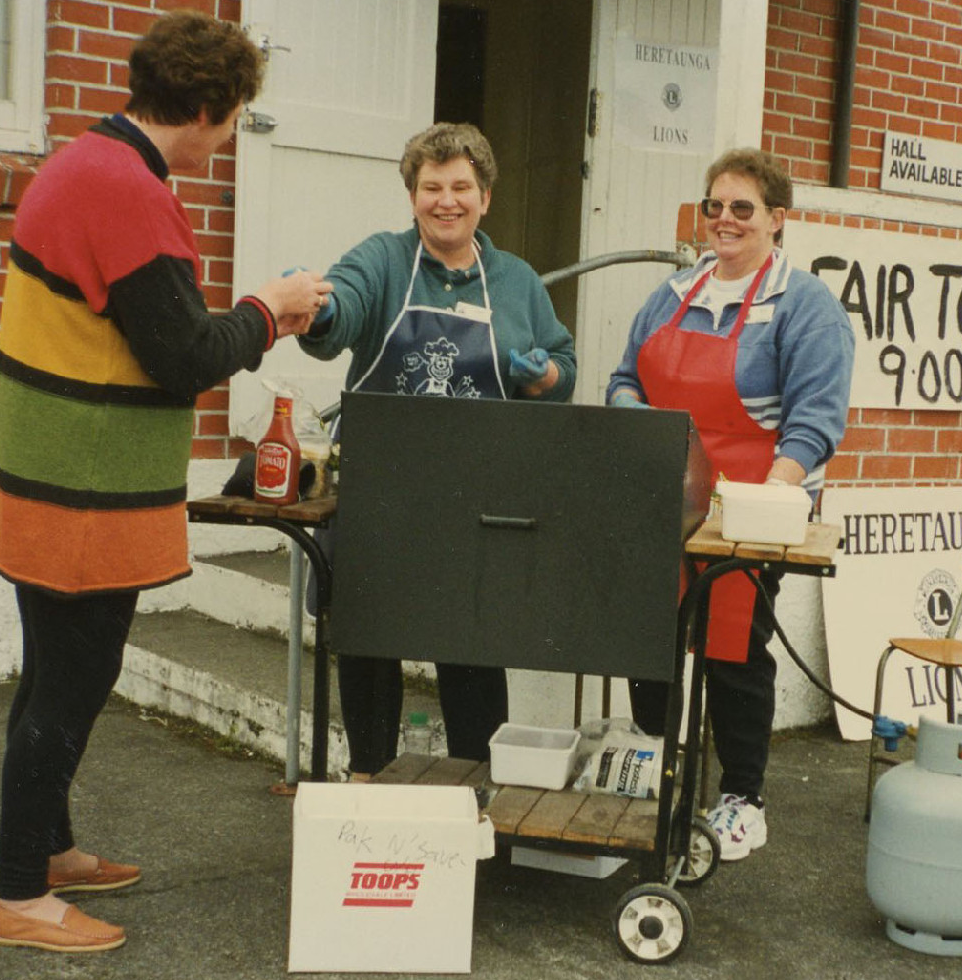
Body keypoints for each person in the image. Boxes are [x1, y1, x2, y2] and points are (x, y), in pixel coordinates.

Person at [0, 11, 331, 954]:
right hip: (79, 484)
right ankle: (15, 896)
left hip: (43, 468)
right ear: (204, 109)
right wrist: (270, 311)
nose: (233, 132)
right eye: (235, 115)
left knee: (50, 668)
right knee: (72, 683)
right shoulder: (125, 188)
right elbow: (182, 354)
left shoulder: (89, 162)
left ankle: (50, 847)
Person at [300, 121, 576, 778]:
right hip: (383, 488)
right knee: (368, 634)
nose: (445, 200)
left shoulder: (516, 282)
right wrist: (320, 310)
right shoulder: (385, 260)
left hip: (478, 490)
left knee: (473, 644)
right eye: (431, 187)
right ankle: (367, 773)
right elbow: (343, 305)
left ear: (486, 196)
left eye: (461, 186)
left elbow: (562, 368)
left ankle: (476, 783)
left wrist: (544, 376)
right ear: (412, 194)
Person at [607, 147, 853, 862]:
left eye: (742, 208)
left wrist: (767, 498)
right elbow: (627, 378)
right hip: (664, 499)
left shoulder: (805, 306)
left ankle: (743, 799)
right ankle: (656, 768)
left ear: (779, 218)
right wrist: (633, 422)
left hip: (751, 505)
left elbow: (814, 422)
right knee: (648, 641)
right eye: (715, 206)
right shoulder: (673, 293)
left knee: (734, 651)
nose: (725, 219)